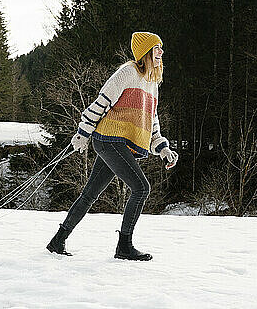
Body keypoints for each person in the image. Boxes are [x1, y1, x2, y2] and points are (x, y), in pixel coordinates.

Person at [46, 32, 178, 261]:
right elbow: (102, 102)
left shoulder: (152, 83)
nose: (161, 52)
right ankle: (124, 246)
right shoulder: (127, 72)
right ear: (146, 52)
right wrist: (82, 133)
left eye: (161, 48)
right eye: (157, 48)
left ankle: (58, 240)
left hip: (117, 144)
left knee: (89, 194)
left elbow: (151, 122)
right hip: (108, 139)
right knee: (141, 188)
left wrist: (163, 148)